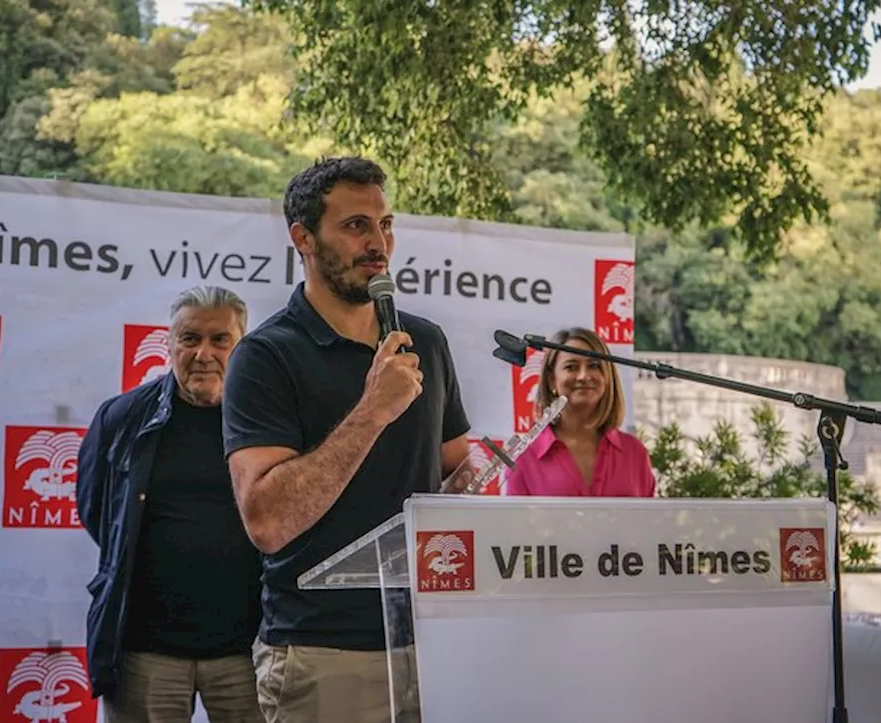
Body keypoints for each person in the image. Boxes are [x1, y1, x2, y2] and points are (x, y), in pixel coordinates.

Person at [221, 156, 472, 723]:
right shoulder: (265, 356)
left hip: (434, 644)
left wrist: (484, 478)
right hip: (322, 651)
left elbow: (456, 467)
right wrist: (372, 411)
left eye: (384, 225)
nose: (378, 243)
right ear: (302, 238)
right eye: (355, 225)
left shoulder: (424, 342)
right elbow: (267, 520)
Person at [76, 285, 264, 723]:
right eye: (189, 338)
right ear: (169, 344)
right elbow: (98, 511)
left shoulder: (269, 421)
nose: (203, 353)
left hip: (250, 649)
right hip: (146, 650)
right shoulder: (121, 418)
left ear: (243, 345)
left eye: (220, 339)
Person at [504, 327, 656, 498]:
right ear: (551, 380)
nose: (583, 376)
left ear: (607, 376)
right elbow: (514, 523)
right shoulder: (523, 457)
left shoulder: (635, 453)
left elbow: (647, 522)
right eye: (571, 367)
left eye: (594, 366)